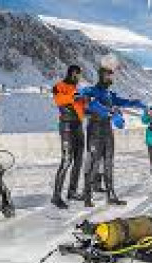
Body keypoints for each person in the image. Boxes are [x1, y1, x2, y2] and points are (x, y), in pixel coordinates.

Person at [77, 55, 147, 207]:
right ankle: (87, 196)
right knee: (93, 162)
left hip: (107, 130)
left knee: (109, 162)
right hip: (95, 130)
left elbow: (123, 101)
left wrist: (139, 104)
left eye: (112, 74)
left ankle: (111, 195)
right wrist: (110, 112)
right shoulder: (91, 90)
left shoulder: (109, 94)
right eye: (108, 74)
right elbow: (88, 103)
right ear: (101, 75)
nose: (111, 77)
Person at [51, 65, 89, 209]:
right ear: (73, 73)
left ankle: (72, 191)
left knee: (78, 161)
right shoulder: (59, 86)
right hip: (66, 126)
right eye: (78, 75)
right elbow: (59, 100)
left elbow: (83, 109)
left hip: (78, 126)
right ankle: (56, 196)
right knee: (66, 161)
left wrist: (86, 102)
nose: (79, 77)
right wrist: (74, 97)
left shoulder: (78, 90)